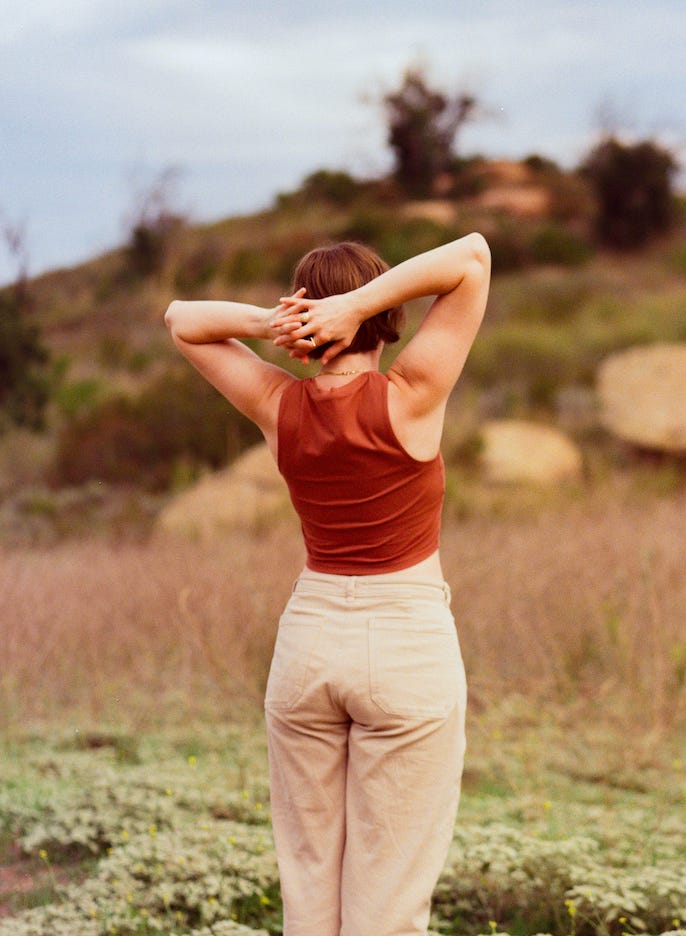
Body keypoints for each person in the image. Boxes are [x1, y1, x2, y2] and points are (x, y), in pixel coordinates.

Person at [164, 232, 491, 935]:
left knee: (310, 889)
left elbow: (180, 319)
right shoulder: (412, 395)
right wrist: (356, 304)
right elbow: (471, 258)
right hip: (405, 640)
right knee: (388, 899)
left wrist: (275, 323)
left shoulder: (277, 405)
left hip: (309, 642)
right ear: (385, 317)